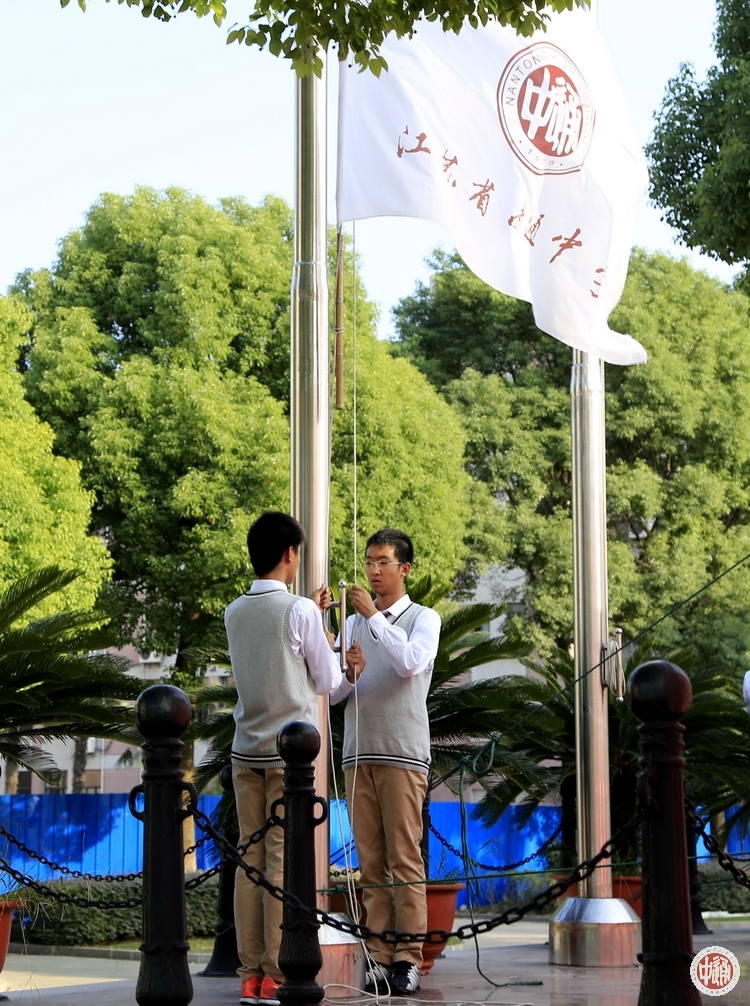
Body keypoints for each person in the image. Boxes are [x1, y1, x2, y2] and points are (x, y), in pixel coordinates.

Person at [225, 512, 355, 1006]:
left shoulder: (234, 611)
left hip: (244, 749)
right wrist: (341, 655)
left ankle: (250, 975)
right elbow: (327, 682)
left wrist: (312, 620)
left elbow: (272, 656)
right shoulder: (299, 610)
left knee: (249, 861)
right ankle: (277, 972)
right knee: (281, 861)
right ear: (290, 554)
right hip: (290, 756)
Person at [331, 528, 441, 996]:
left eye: (383, 562)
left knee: (404, 858)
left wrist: (373, 617)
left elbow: (410, 663)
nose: (374, 571)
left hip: (402, 753)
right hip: (358, 753)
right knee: (371, 861)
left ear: (404, 569)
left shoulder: (423, 618)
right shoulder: (354, 624)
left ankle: (408, 958)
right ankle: (377, 956)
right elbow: (333, 692)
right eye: (369, 562)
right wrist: (350, 673)